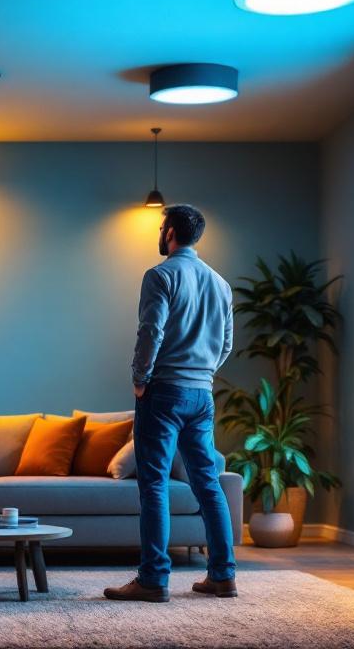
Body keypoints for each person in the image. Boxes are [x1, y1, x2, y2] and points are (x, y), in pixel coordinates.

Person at [104, 204, 237, 603]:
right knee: (208, 485)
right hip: (202, 393)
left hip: (163, 391)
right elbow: (227, 343)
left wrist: (139, 380)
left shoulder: (160, 275)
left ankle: (153, 580)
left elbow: (151, 331)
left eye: (161, 227)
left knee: (154, 486)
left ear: (171, 232)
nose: (159, 233)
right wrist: (203, 373)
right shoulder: (221, 283)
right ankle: (223, 576)